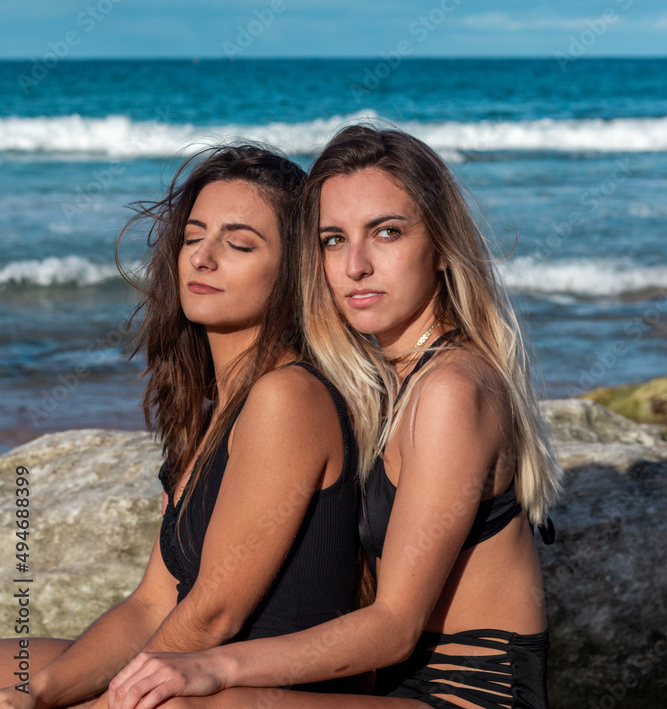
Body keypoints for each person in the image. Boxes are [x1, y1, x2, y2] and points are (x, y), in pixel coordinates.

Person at [103, 124, 563, 709]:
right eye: (332, 240)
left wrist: (213, 668)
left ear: (443, 248)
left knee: (188, 704)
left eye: (387, 233)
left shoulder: (450, 389)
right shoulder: (382, 379)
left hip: (469, 699)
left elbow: (395, 625)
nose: (356, 266)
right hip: (392, 692)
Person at [0, 144, 361, 709]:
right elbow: (150, 605)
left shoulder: (288, 396)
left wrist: (101, 705)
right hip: (188, 670)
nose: (202, 258)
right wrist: (36, 692)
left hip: (255, 692)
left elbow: (212, 615)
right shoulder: (213, 409)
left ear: (294, 270)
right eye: (194, 237)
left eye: (239, 244)